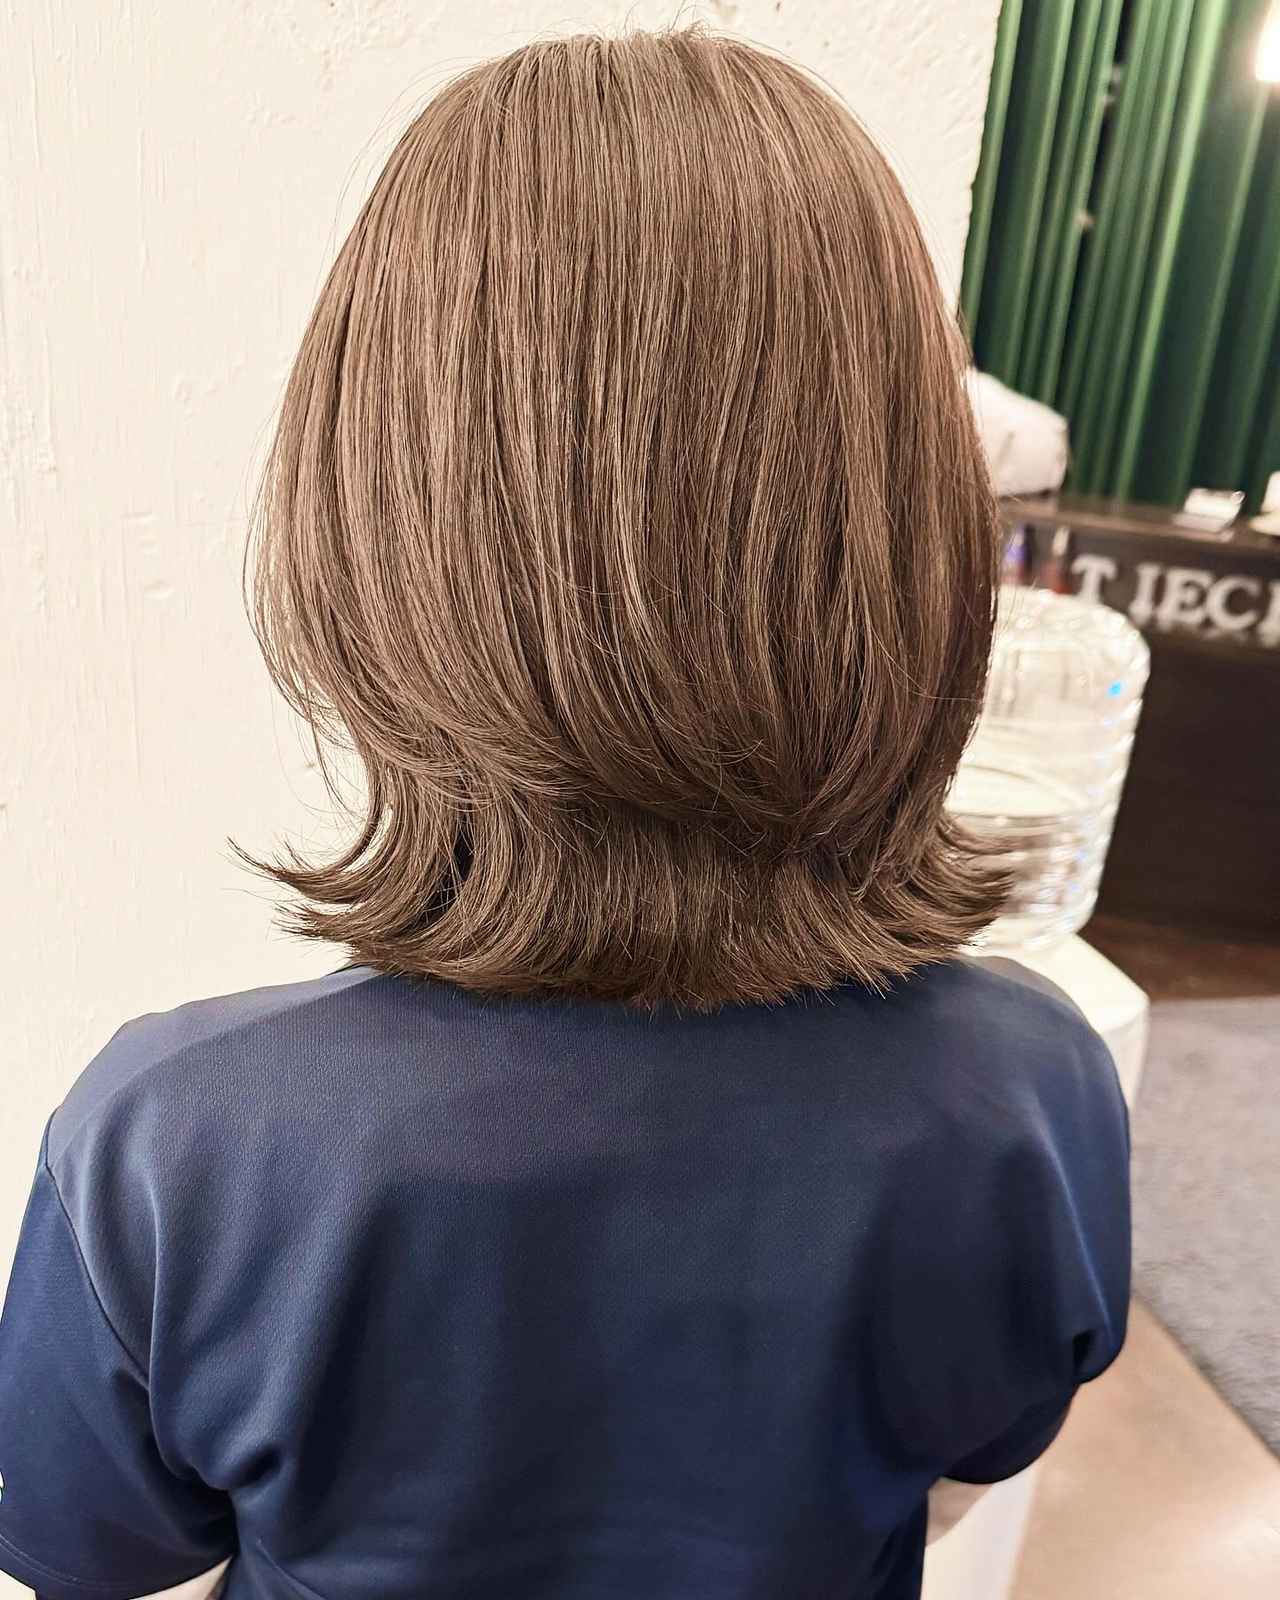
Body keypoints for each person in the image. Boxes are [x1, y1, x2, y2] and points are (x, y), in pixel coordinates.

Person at [0, 26, 1129, 1600]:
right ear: (904, 526)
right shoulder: (1032, 1095)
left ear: (376, 517)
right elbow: (971, 1459)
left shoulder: (177, 1148)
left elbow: (91, 1554)